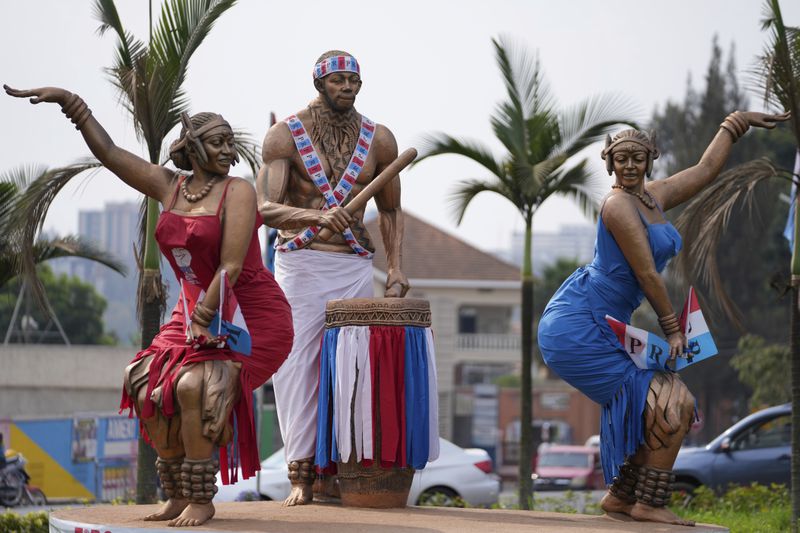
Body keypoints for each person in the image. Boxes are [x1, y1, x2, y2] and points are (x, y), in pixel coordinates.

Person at [5, 85, 294, 527]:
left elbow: (231, 267)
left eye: (229, 143)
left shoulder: (237, 192)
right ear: (193, 147)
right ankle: (177, 494)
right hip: (194, 309)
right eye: (217, 142)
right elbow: (110, 152)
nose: (227, 151)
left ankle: (202, 497)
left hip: (245, 315)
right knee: (143, 380)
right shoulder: (168, 186)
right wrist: (72, 104)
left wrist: (202, 321)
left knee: (196, 386)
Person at [537, 110, 789, 525]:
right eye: (622, 159)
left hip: (606, 321)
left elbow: (706, 170)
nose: (631, 165)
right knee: (675, 401)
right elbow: (647, 273)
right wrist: (673, 331)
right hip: (576, 323)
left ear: (650, 159)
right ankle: (648, 502)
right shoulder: (618, 206)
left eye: (638, 158)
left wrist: (732, 124)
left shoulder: (652, 197)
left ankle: (622, 497)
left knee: (657, 402)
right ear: (610, 163)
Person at [257, 50, 408, 506]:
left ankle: (333, 472)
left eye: (354, 81)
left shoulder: (379, 140)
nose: (348, 87)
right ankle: (300, 472)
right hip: (301, 263)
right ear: (320, 83)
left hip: (353, 265)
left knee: (348, 369)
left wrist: (397, 268)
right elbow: (265, 208)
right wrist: (312, 215)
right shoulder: (284, 136)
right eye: (339, 80)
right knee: (297, 367)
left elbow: (392, 209)